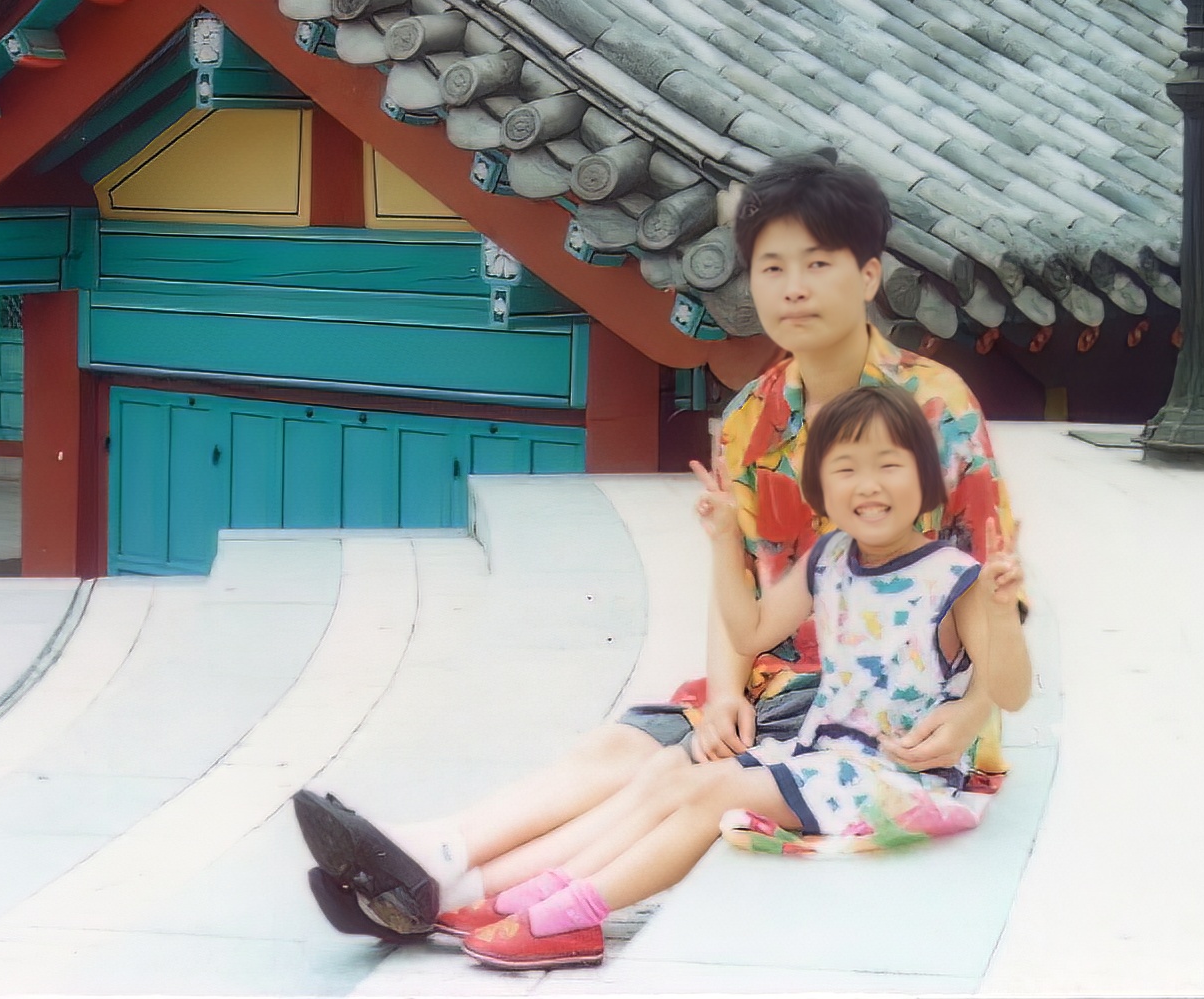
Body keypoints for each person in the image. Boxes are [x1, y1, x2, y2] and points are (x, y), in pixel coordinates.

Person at [295, 154, 1023, 950]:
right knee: (627, 741)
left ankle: (456, 891)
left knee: (666, 770)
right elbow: (740, 583)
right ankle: (440, 856)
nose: (794, 288)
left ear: (868, 274)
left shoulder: (933, 405)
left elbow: (995, 585)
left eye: (818, 264)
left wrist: (969, 712)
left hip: (889, 702)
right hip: (776, 668)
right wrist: (724, 690)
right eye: (772, 267)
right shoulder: (750, 417)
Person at [437, 382, 1032, 968]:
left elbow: (1011, 692)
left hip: (894, 776)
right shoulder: (829, 557)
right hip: (819, 755)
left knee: (713, 792)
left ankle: (577, 914)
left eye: (889, 466)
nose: (868, 486)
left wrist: (1002, 616)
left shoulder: (954, 577)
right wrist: (726, 542)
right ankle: (547, 890)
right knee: (677, 777)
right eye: (846, 469)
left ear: (927, 478)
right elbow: (751, 633)